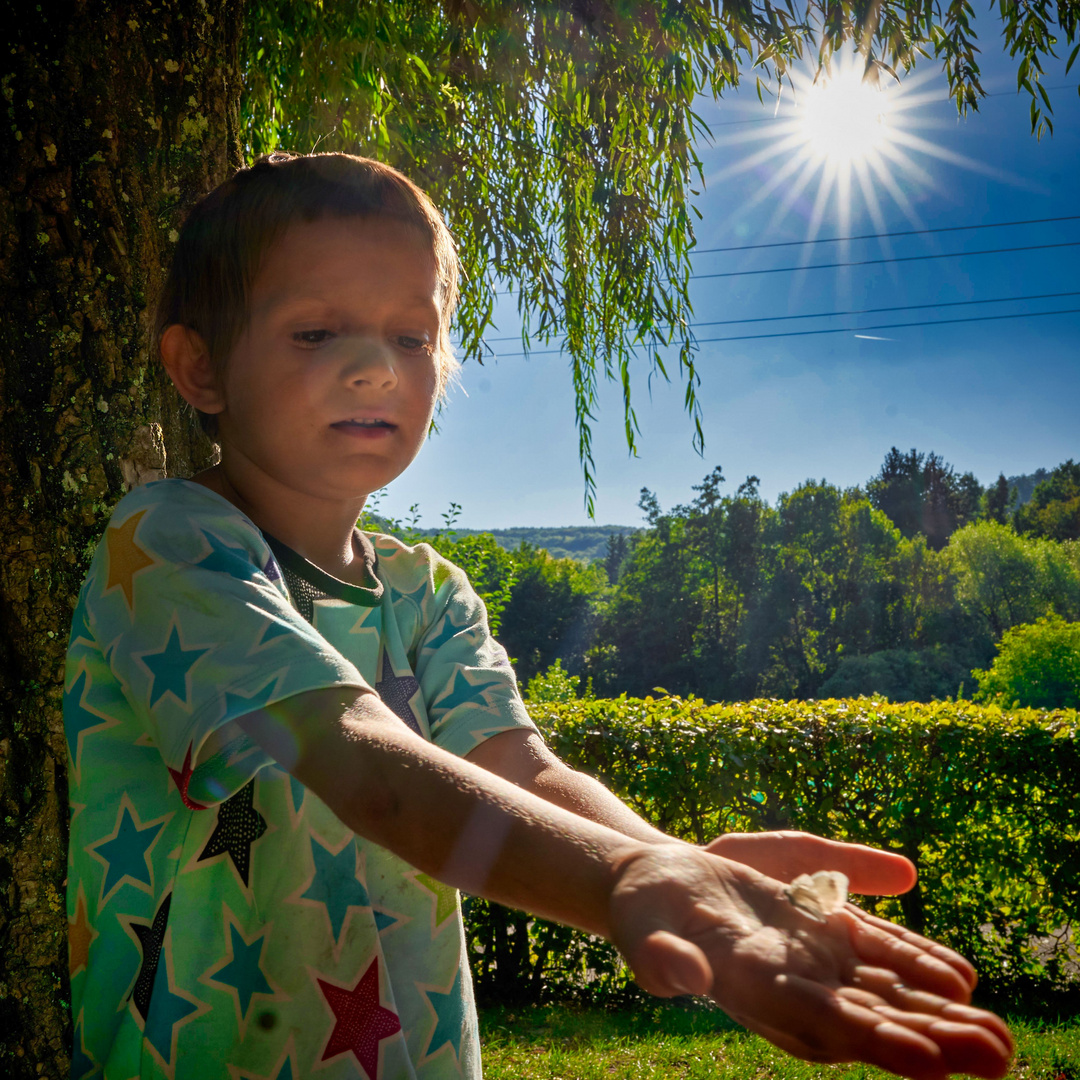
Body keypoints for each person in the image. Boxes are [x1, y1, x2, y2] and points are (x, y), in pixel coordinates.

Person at [64, 151, 1012, 1080]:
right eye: (316, 333)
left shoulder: (428, 591)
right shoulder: (168, 544)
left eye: (410, 337)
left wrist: (675, 863)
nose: (373, 369)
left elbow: (521, 770)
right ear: (199, 369)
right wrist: (627, 881)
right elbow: (353, 754)